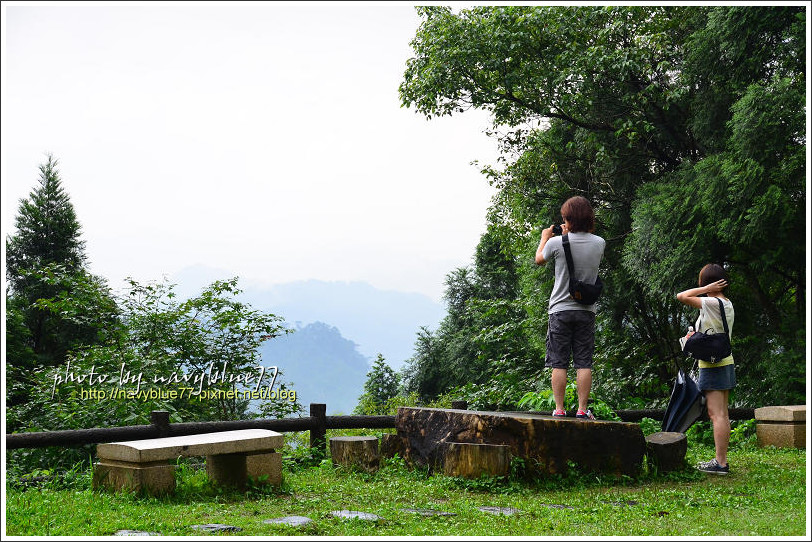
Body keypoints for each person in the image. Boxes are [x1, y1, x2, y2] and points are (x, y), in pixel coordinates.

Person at [535, 196, 605, 420]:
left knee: (559, 362)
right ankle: (582, 410)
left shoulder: (556, 243)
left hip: (560, 309)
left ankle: (559, 409)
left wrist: (545, 238)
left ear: (568, 218)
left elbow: (539, 259)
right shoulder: (599, 243)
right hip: (586, 310)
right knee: (584, 362)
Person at [676, 264, 735, 475]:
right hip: (724, 361)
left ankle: (720, 463)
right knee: (722, 413)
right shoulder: (725, 303)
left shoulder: (711, 302)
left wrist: (705, 288)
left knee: (716, 414)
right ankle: (721, 460)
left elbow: (681, 296)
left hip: (714, 365)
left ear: (709, 282)